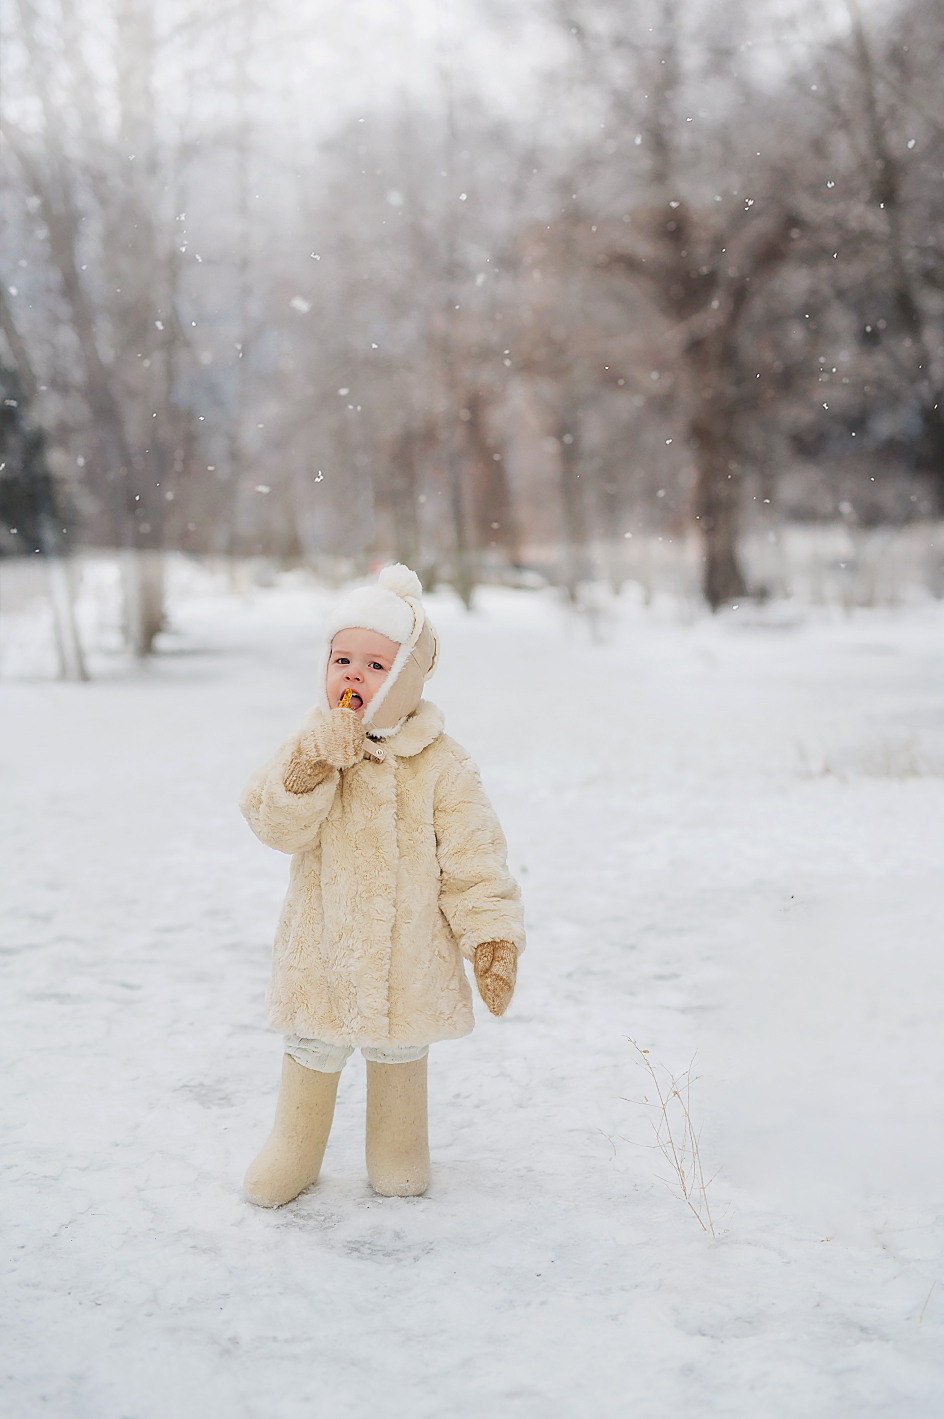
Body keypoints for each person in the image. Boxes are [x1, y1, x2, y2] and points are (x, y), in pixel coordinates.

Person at [239, 564, 525, 1205]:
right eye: (343, 659)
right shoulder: (308, 743)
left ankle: (398, 1148)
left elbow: (474, 857)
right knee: (313, 1045)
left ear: (409, 677)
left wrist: (492, 940)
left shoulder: (441, 763)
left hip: (406, 957)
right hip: (324, 953)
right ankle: (295, 1148)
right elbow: (271, 821)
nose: (352, 677)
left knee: (400, 1049)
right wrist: (312, 768)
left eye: (375, 665)